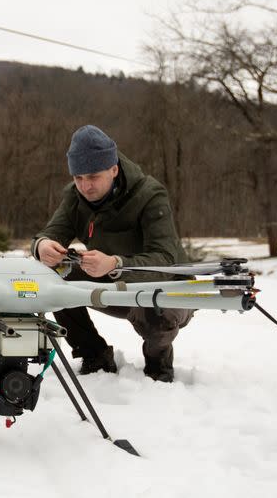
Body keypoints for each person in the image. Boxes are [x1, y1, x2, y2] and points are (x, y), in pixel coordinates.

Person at [32, 125, 193, 382]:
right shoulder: (74, 197)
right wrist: (41, 247)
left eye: (93, 176)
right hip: (112, 284)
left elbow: (165, 260)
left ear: (114, 169)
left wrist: (115, 263)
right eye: (78, 177)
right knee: (53, 277)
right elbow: (48, 234)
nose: (85, 186)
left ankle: (158, 364)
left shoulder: (150, 195)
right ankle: (94, 354)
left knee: (157, 313)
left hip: (166, 288)